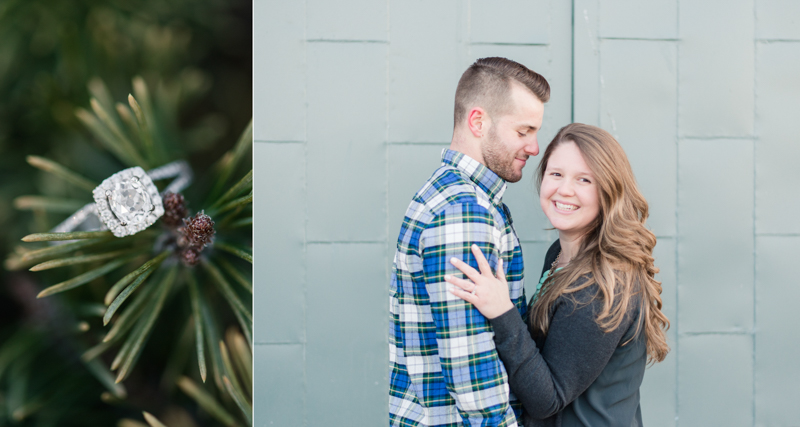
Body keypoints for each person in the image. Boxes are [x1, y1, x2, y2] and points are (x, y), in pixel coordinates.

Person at [445, 123, 670, 426]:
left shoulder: (601, 286)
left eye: (584, 179)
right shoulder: (561, 254)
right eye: (556, 174)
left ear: (609, 191)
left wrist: (502, 312)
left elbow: (546, 399)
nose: (565, 189)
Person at [389, 57, 550, 427]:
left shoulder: (448, 195)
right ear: (478, 122)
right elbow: (471, 365)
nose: (535, 147)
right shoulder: (463, 212)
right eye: (524, 131)